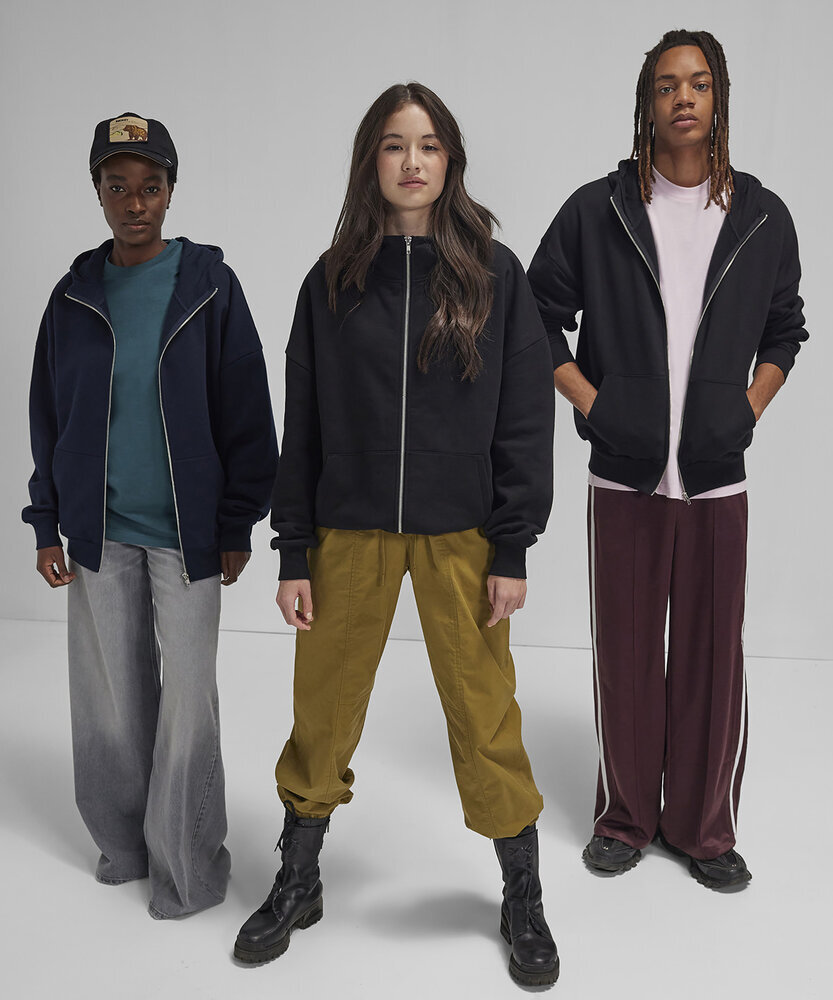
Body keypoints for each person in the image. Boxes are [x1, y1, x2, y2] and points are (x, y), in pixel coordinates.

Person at [234, 83, 558, 987]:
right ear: (369, 161)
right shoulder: (331, 278)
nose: (411, 161)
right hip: (348, 528)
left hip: (462, 533)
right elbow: (303, 420)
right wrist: (292, 550)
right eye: (392, 144)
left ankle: (522, 893)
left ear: (450, 159)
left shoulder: (495, 274)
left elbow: (524, 418)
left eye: (427, 145)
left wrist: (511, 546)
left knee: (484, 713)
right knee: (323, 710)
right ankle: (299, 880)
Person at [527, 30, 807, 890]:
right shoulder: (598, 211)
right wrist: (596, 404)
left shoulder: (762, 216)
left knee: (712, 657)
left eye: (697, 83)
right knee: (624, 652)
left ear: (718, 99)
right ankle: (625, 818)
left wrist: (743, 409)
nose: (682, 97)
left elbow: (784, 330)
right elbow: (535, 318)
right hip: (624, 471)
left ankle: (702, 829)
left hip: (716, 477)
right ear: (646, 104)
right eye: (664, 85)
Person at [22, 113, 278, 918]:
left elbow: (247, 409)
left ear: (170, 191)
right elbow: (47, 413)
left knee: (187, 705)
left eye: (150, 187)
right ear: (98, 193)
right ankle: (126, 846)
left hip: (186, 534)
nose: (134, 203)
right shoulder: (73, 296)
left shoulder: (207, 286)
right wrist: (46, 520)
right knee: (112, 702)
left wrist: (236, 523)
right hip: (98, 531)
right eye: (117, 187)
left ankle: (187, 868)